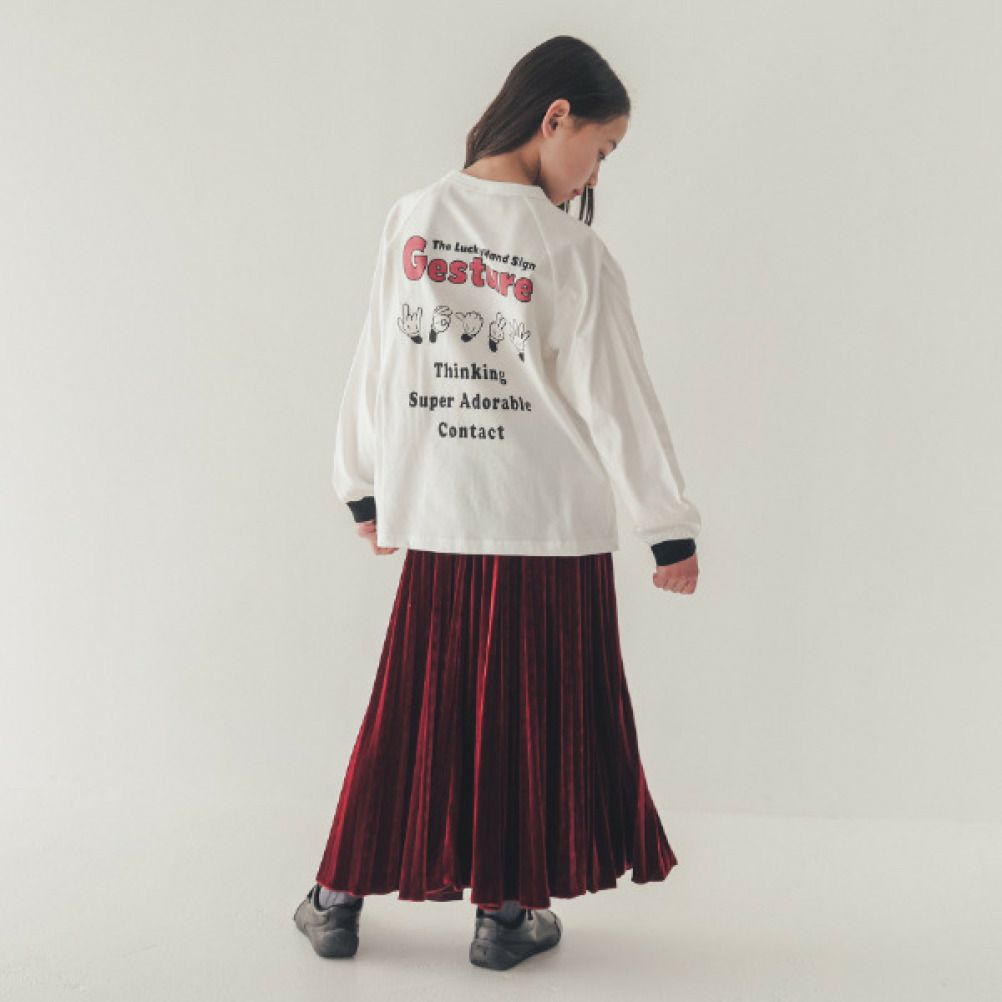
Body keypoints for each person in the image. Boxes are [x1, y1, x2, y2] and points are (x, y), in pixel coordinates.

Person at [293, 34, 701, 971]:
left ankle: (336, 900)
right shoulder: (571, 251)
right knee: (532, 726)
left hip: (444, 515)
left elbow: (379, 362)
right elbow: (620, 400)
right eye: (601, 148)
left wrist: (362, 485)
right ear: (556, 117)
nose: (596, 172)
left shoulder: (414, 217)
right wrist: (667, 528)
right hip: (548, 527)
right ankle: (505, 917)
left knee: (411, 716)